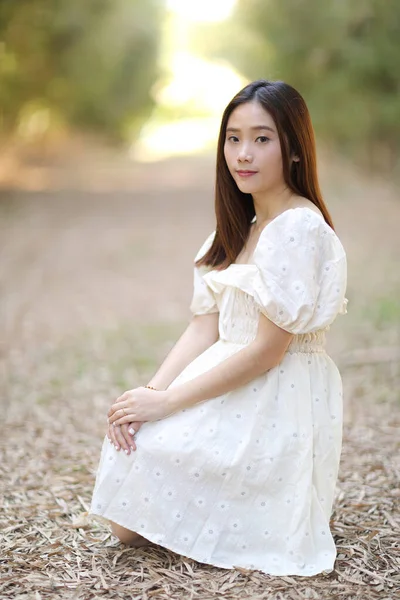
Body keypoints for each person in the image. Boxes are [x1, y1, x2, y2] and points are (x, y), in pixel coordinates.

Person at [89, 79, 348, 577]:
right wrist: (149, 393)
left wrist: (169, 404)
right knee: (131, 457)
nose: (243, 154)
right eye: (233, 138)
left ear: (294, 148)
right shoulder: (239, 229)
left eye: (262, 138)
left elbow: (268, 352)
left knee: (145, 487)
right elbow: (202, 328)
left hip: (273, 397)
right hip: (225, 381)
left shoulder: (297, 228)